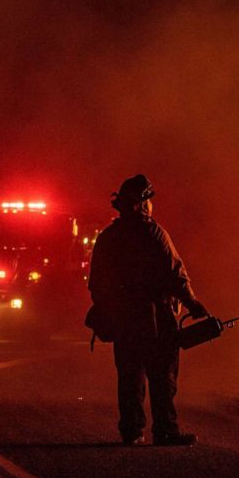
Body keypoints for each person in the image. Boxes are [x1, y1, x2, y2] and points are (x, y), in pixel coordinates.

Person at [88, 174, 208, 446]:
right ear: (142, 204)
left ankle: (131, 431)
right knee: (162, 375)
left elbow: (96, 283)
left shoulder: (108, 237)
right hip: (157, 318)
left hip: (124, 321)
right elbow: (174, 274)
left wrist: (111, 311)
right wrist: (193, 304)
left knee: (130, 375)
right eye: (149, 201)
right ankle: (165, 430)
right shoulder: (154, 233)